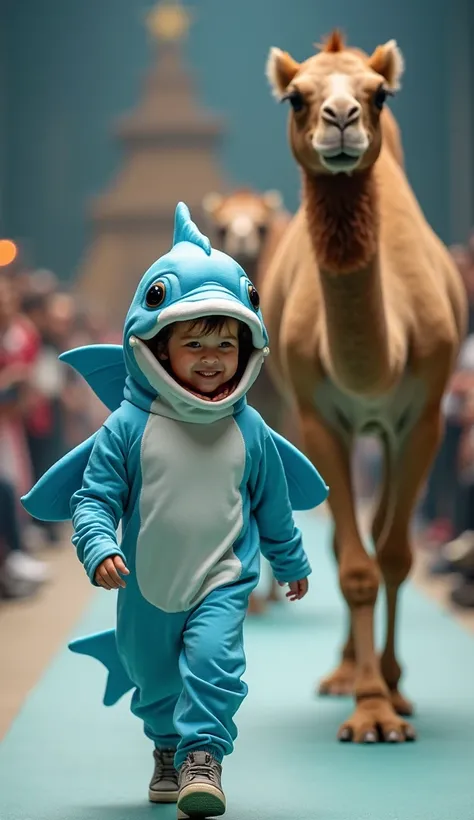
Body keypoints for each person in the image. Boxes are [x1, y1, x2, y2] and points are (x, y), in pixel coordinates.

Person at [22, 203, 328, 818]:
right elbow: (94, 496)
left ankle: (203, 756)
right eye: (194, 343)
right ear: (156, 345)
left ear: (249, 346)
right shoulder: (128, 426)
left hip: (223, 576)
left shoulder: (253, 429)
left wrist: (289, 559)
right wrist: (98, 544)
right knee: (153, 675)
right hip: (145, 583)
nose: (212, 358)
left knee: (215, 663)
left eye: (226, 343)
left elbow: (272, 504)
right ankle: (166, 745)